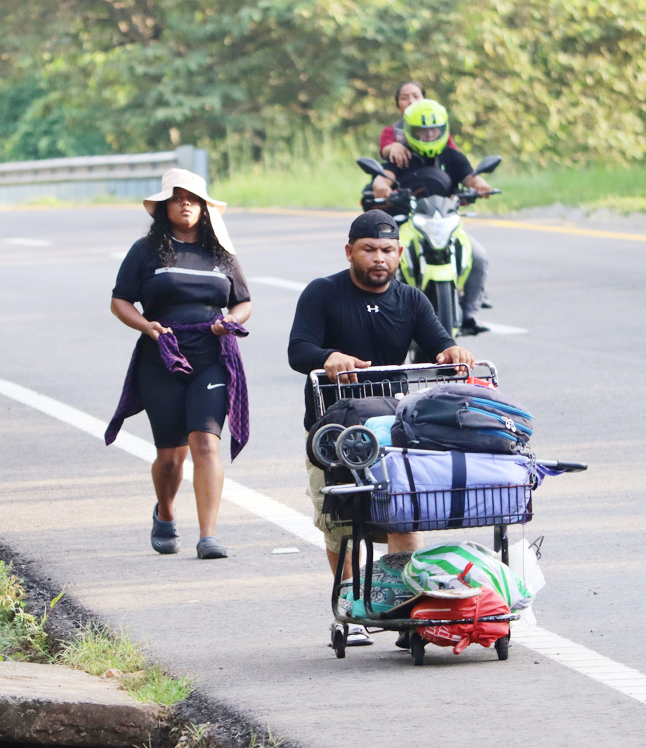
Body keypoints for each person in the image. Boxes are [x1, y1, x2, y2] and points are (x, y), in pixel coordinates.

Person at [287, 209, 474, 644]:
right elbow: (299, 350)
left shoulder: (410, 299)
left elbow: (439, 343)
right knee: (342, 523)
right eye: (369, 250)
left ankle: (407, 612)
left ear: (399, 253)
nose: (379, 259)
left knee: (403, 517)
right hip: (333, 434)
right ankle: (352, 606)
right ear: (350, 251)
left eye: (387, 251)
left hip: (391, 429)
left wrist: (452, 351)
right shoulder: (322, 293)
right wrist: (326, 356)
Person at [105, 168, 252, 560]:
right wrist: (146, 326)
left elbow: (243, 301)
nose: (185, 203)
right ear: (164, 207)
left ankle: (208, 536)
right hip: (163, 356)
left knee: (205, 442)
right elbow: (120, 300)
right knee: (171, 455)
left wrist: (230, 322)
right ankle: (166, 512)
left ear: (204, 207)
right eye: (176, 197)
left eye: (192, 198)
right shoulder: (146, 251)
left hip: (212, 355)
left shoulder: (221, 252)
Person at [372, 98, 491, 335]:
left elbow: (471, 178)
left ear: (443, 129)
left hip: (447, 222)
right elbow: (382, 178)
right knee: (390, 261)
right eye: (422, 131)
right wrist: (382, 186)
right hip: (410, 222)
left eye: (433, 131)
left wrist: (480, 184)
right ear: (409, 131)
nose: (428, 135)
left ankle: (469, 314)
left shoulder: (452, 156)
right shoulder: (400, 156)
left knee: (478, 257)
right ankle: (383, 313)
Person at [378, 80, 455, 169]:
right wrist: (393, 147)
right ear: (397, 106)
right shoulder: (391, 131)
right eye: (404, 98)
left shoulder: (438, 129)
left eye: (416, 96)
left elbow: (454, 155)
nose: (411, 101)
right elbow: (384, 149)